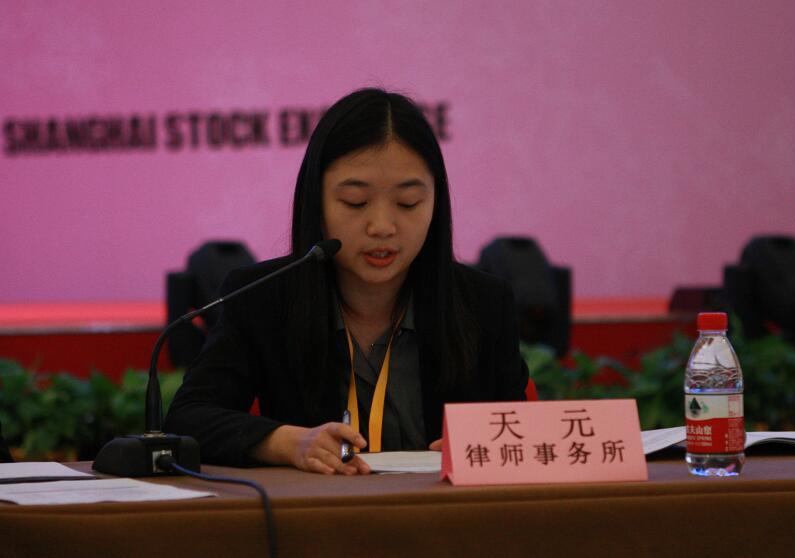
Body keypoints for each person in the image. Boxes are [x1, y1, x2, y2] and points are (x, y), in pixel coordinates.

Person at [164, 88, 529, 475]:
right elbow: (187, 420)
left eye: (408, 203)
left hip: (443, 512)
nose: (382, 227)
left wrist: (484, 444)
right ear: (316, 202)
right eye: (355, 202)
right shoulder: (264, 298)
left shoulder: (482, 303)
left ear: (436, 203)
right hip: (314, 511)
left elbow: (522, 432)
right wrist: (287, 443)